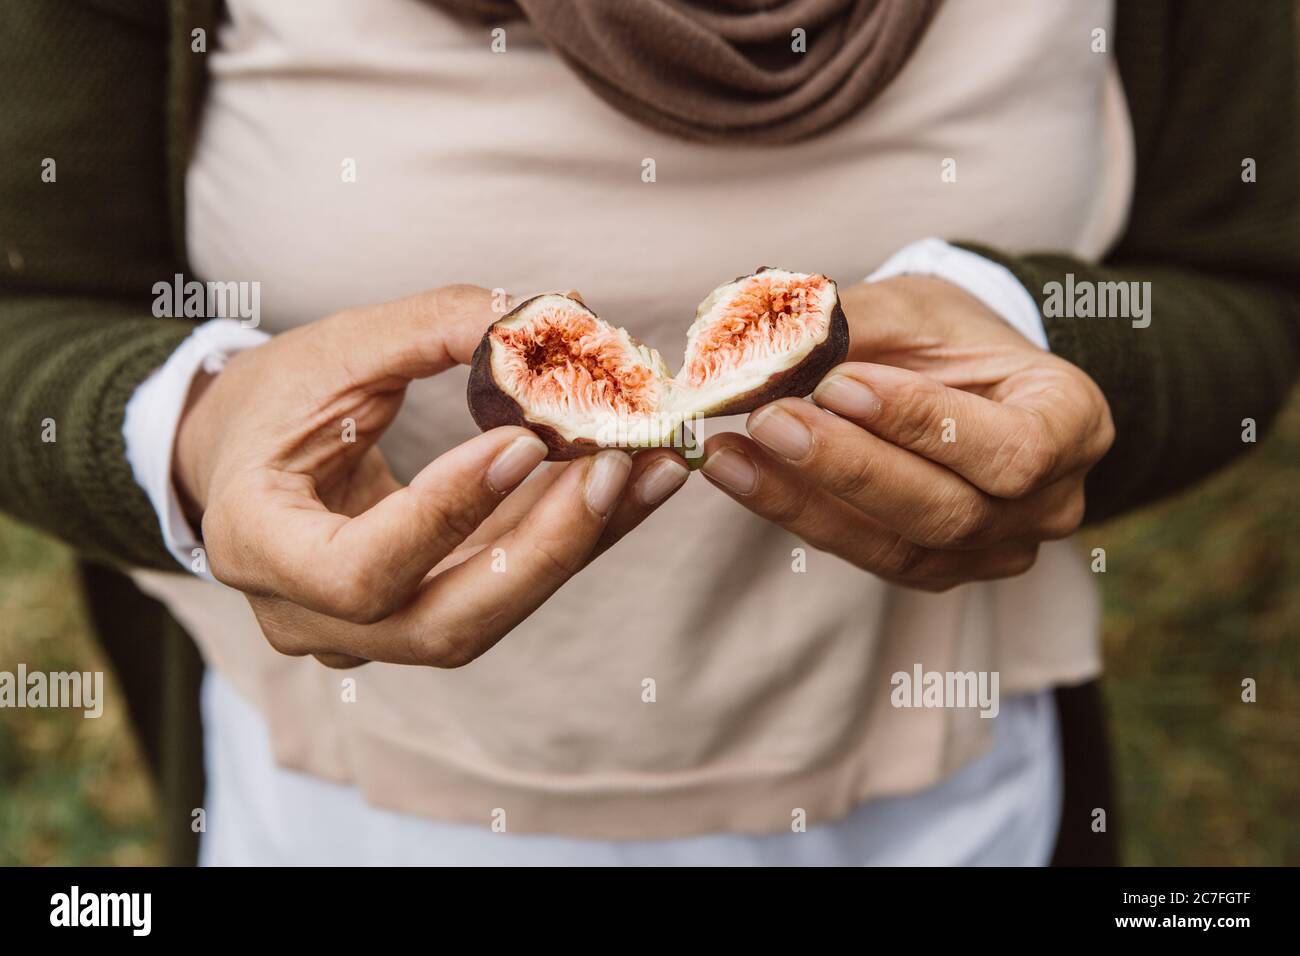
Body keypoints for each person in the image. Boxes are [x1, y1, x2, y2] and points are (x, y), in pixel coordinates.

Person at [1, 0, 1296, 865]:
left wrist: (1050, 351)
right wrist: (189, 434)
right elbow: (27, 308)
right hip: (346, 806)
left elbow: (1244, 275)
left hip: (940, 796)